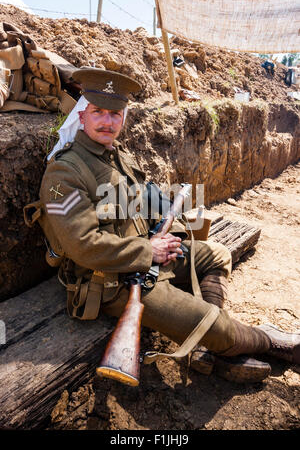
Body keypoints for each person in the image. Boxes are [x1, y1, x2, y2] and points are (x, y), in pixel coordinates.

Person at [35, 68, 300, 385]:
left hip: (148, 258)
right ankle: (272, 341)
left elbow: (142, 206)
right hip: (111, 283)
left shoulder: (118, 157)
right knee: (221, 329)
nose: (107, 121)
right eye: (98, 112)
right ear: (82, 116)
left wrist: (166, 233)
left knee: (216, 255)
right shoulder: (65, 172)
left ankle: (207, 346)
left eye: (115, 114)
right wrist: (149, 250)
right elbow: (83, 246)